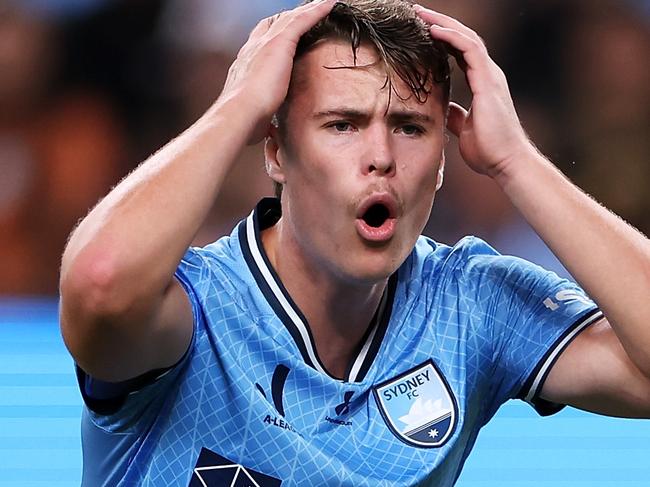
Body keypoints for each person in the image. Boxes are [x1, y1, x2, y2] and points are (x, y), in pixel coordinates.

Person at [58, 0, 650, 485]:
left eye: (411, 127)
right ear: (275, 150)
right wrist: (235, 108)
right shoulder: (196, 309)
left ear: (443, 160)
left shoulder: (470, 305)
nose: (381, 158)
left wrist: (517, 162)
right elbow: (101, 283)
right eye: (342, 124)